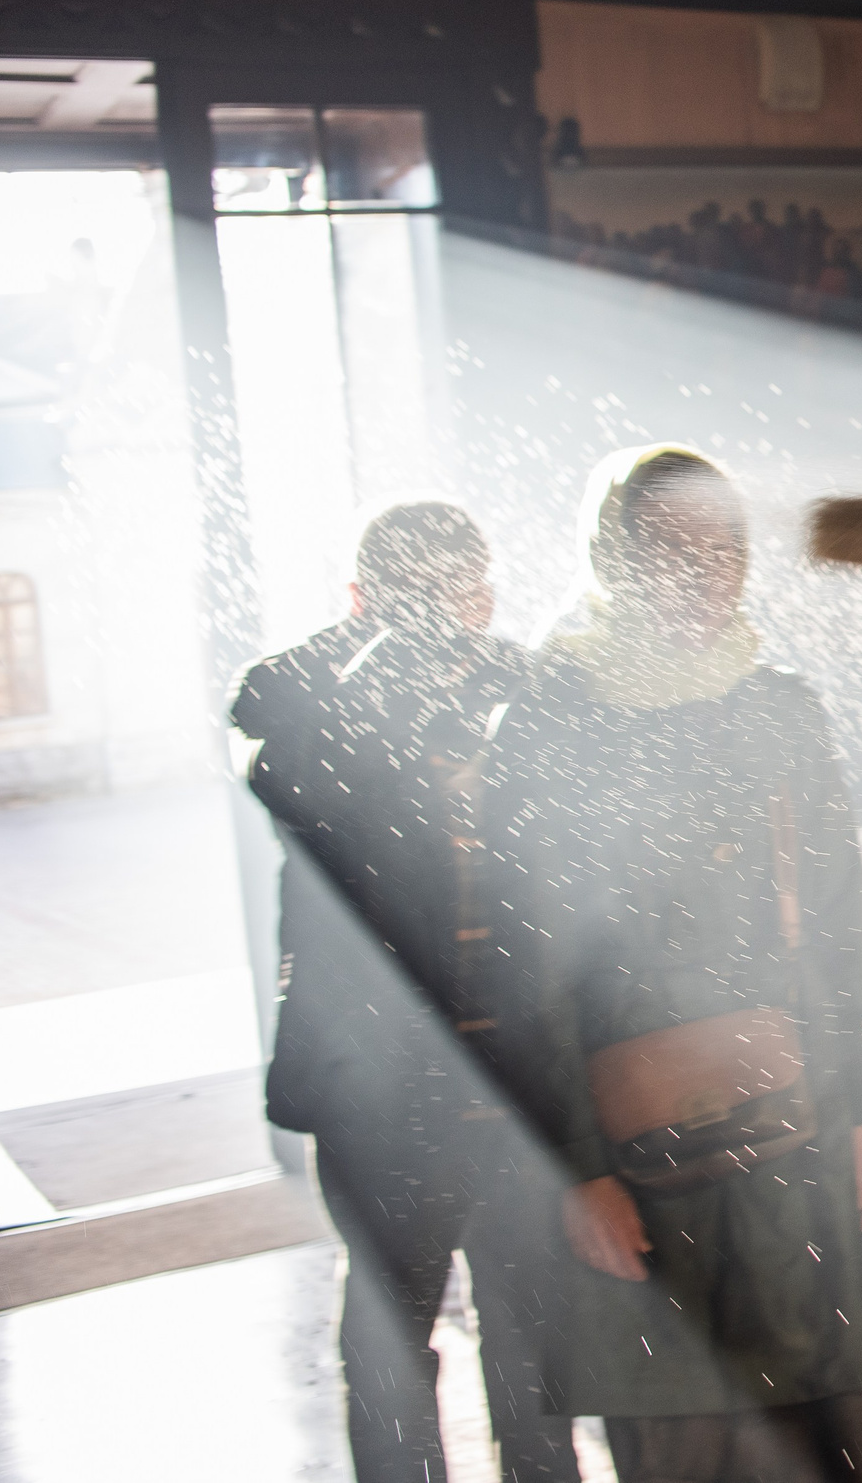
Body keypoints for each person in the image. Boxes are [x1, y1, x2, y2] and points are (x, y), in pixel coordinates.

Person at [486, 445, 862, 1483]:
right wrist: (579, 1170)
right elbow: (527, 966)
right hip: (642, 1145)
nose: (706, 569)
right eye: (671, 546)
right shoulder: (553, 714)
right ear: (616, 555)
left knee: (834, 1418)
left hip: (795, 1117)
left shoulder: (776, 704)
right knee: (685, 1434)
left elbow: (840, 918)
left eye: (725, 544)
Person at [232, 502, 578, 1483]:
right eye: (412, 595)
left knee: (535, 1332)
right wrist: (385, 663)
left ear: (486, 596)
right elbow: (282, 772)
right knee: (389, 1332)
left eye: (458, 591)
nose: (443, 611)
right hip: (378, 1088)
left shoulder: (527, 689)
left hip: (514, 1076)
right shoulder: (304, 699)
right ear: (358, 601)